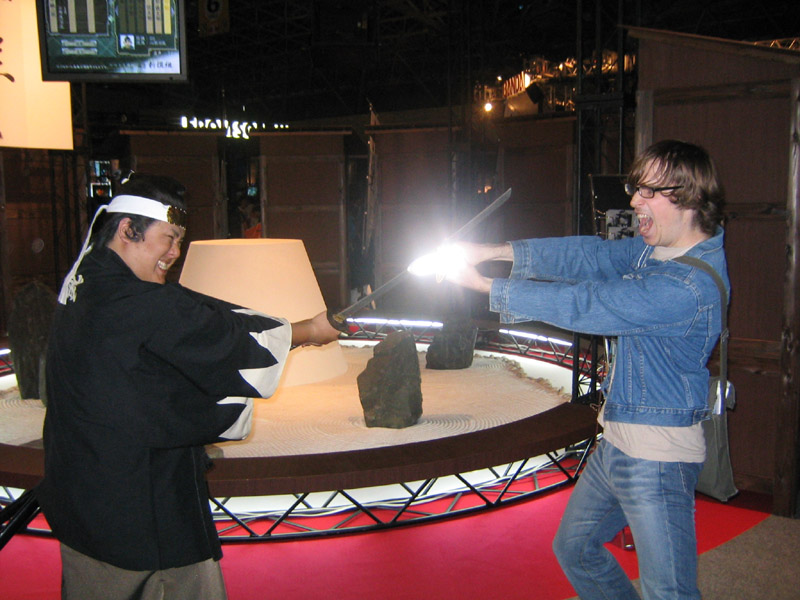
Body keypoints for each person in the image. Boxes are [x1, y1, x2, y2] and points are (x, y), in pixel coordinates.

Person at [442, 140, 728, 599]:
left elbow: (590, 304)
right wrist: (492, 250)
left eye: (648, 191)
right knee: (575, 550)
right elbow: (590, 256)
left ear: (688, 198)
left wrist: (485, 285)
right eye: (636, 188)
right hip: (618, 441)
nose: (635, 201)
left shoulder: (687, 287)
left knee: (669, 592)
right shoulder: (655, 251)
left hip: (658, 458)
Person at [36, 173, 340, 600]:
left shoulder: (85, 283)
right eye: (169, 238)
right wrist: (308, 330)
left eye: (180, 241)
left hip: (82, 497)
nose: (175, 253)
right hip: (139, 511)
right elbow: (219, 337)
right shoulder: (137, 302)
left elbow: (189, 311)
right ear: (128, 229)